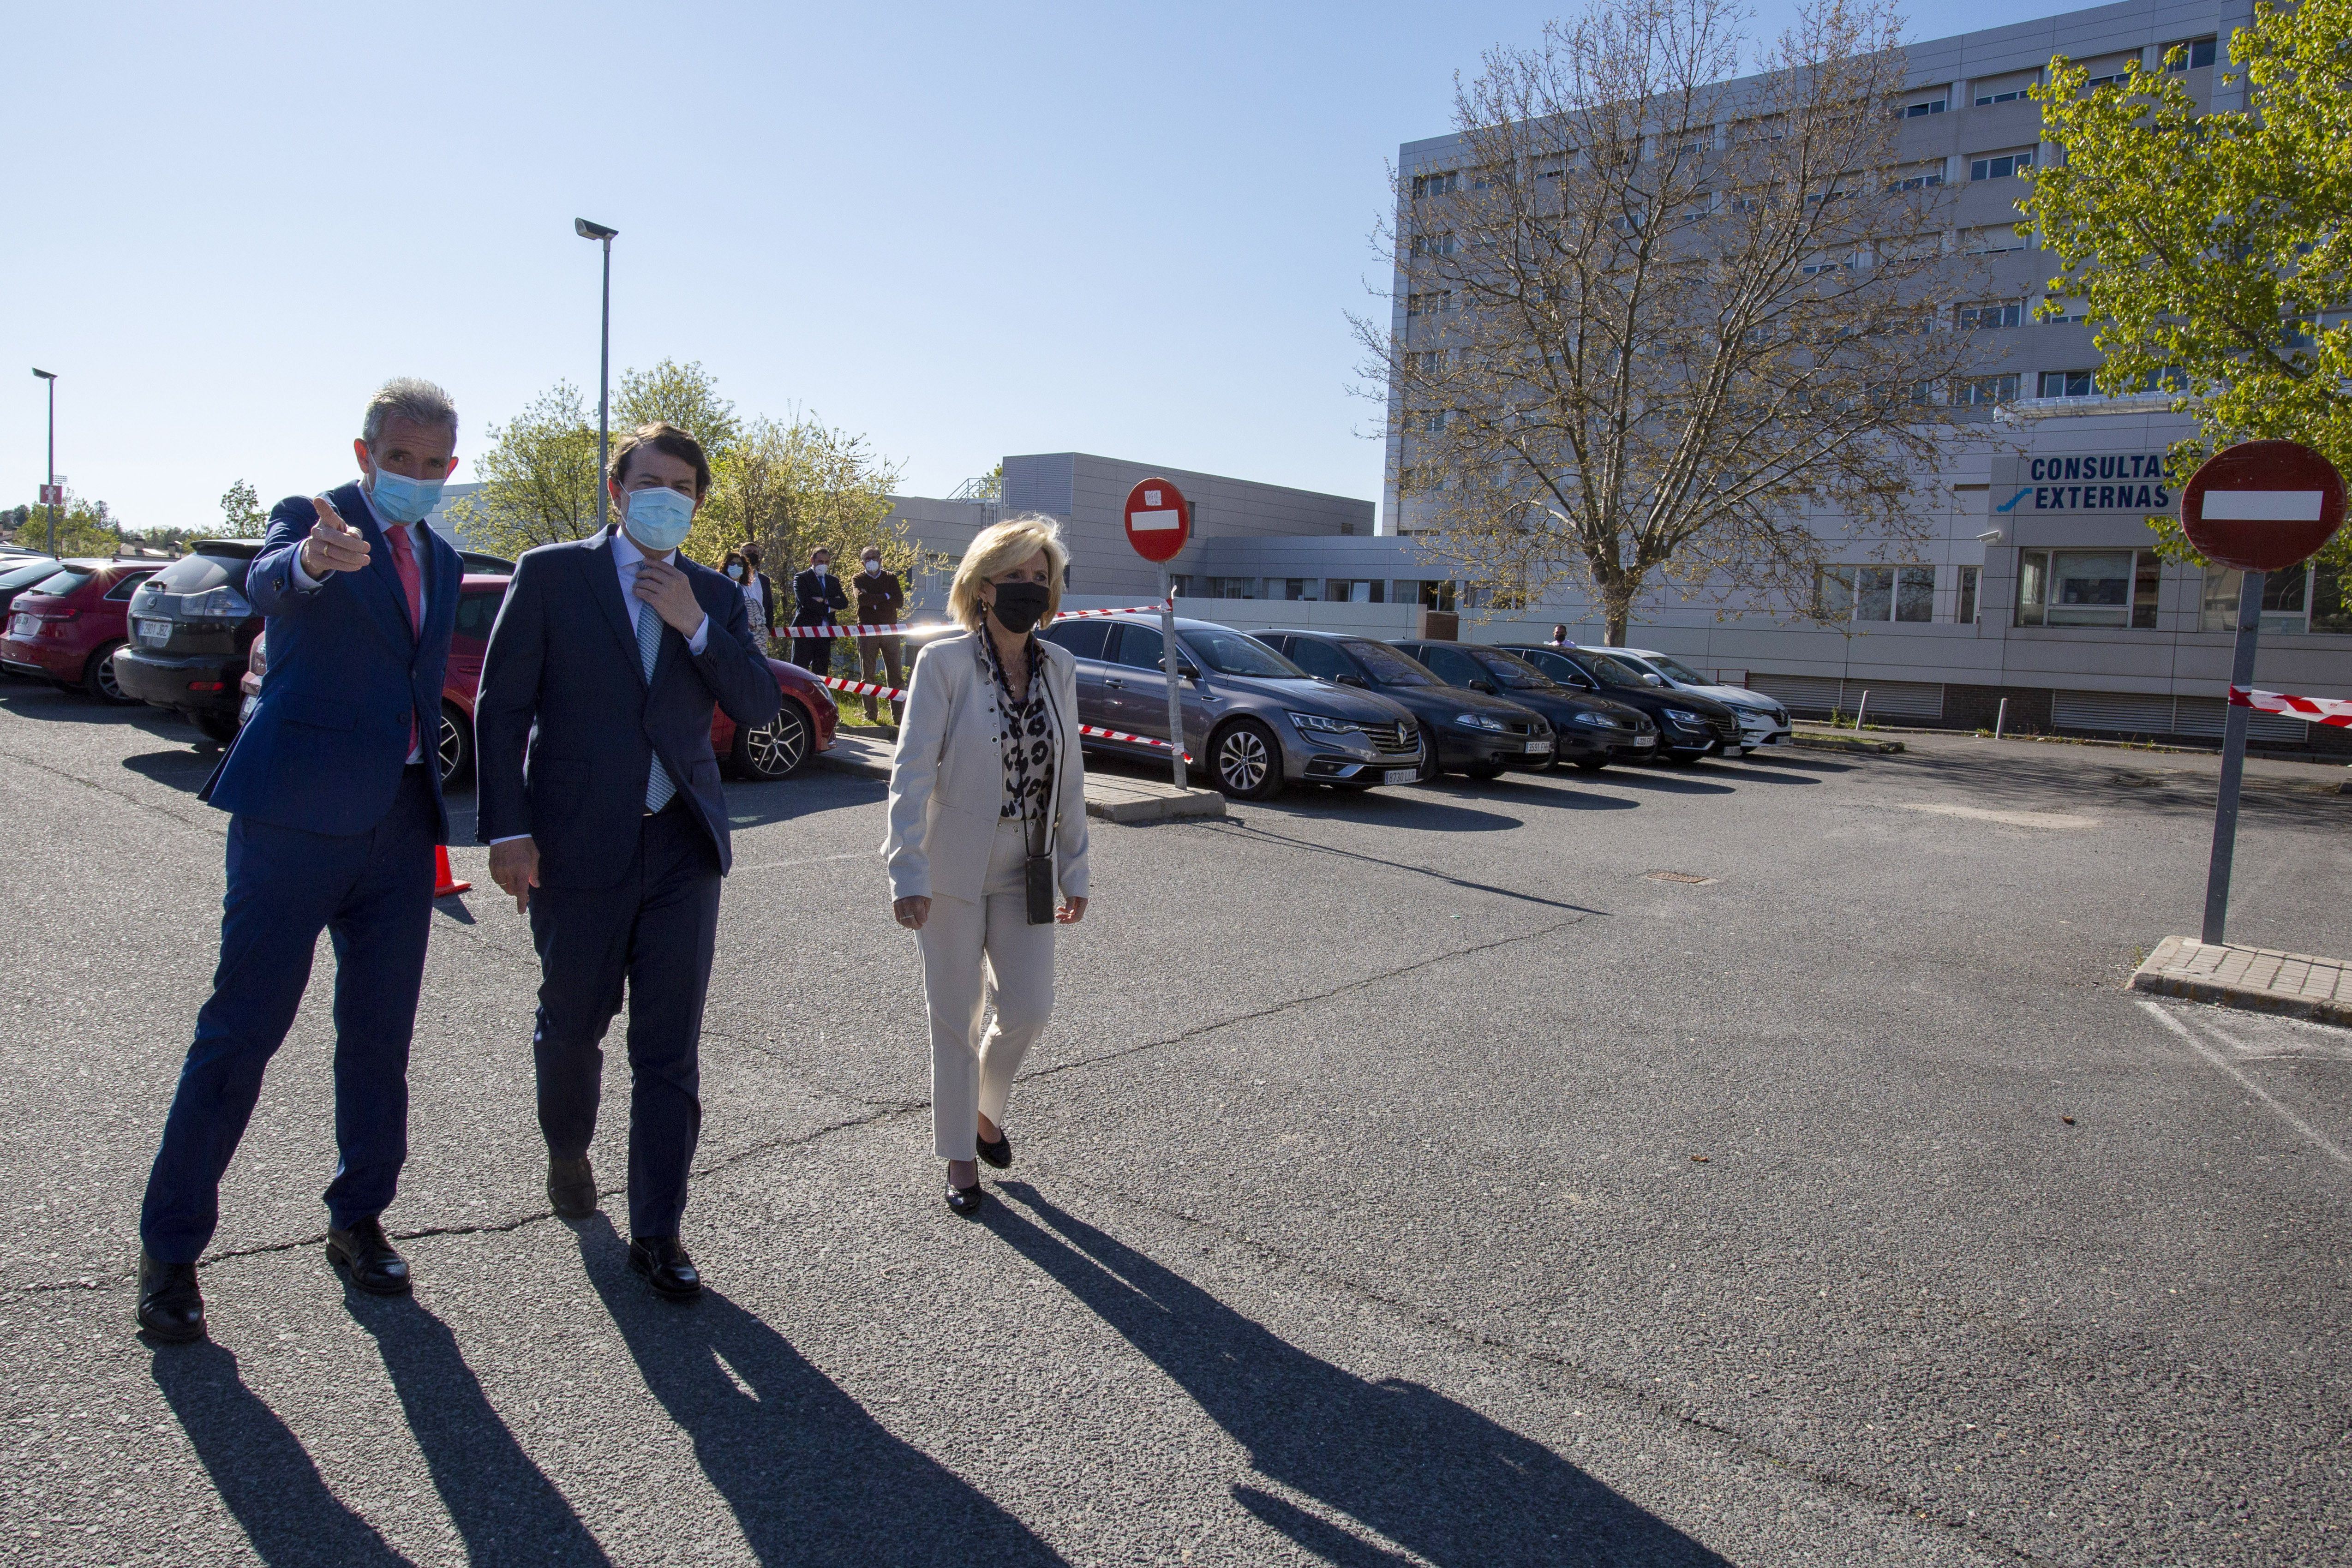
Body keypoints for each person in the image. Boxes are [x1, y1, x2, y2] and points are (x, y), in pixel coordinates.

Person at [135, 378, 467, 1341]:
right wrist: (317, 563)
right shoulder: (312, 520)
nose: (412, 476)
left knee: (379, 1040)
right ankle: (171, 1248)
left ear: (450, 467)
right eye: (395, 458)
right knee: (240, 1032)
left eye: (431, 463)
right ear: (364, 454)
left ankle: (358, 1218)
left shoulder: (441, 558)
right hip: (292, 823)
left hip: (400, 829)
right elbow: (270, 577)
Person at [475, 422, 780, 1300]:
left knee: (669, 1049)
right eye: (651, 481)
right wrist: (507, 830)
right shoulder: (552, 573)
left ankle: (658, 1229)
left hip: (681, 842)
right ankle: (568, 1146)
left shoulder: (715, 594)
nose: (666, 497)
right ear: (618, 491)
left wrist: (694, 627)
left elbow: (758, 702)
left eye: (683, 486)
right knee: (572, 1026)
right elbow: (500, 710)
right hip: (575, 843)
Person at [882, 514, 1089, 1217]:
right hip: (950, 865)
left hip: (1027, 860)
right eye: (1016, 576)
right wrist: (905, 869)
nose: (1030, 589)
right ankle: (960, 1156)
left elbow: (1073, 776)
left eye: (1042, 577)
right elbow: (909, 776)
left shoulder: (1059, 666)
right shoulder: (941, 665)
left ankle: (983, 1112)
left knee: (1030, 1009)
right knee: (955, 1017)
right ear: (982, 583)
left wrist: (1076, 868)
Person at [852, 544, 907, 725]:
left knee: (896, 675)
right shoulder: (858, 578)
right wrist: (885, 596)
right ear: (863, 562)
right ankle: (871, 715)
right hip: (867, 630)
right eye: (868, 558)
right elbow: (861, 598)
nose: (871, 561)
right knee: (868, 674)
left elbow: (899, 601)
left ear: (881, 560)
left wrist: (874, 598)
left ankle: (899, 718)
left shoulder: (891, 578)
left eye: (875, 557)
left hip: (890, 630)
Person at [792, 547, 846, 677]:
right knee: (799, 672)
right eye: (820, 561)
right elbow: (806, 603)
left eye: (827, 562)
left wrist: (825, 600)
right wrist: (829, 608)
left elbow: (844, 603)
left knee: (821, 674)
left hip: (825, 633)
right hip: (805, 632)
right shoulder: (802, 578)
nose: (824, 565)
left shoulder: (833, 581)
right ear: (812, 560)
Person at [725, 545, 776, 649]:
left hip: (758, 634)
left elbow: (769, 606)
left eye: (755, 552)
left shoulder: (764, 580)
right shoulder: (721, 583)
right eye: (748, 551)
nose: (752, 554)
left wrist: (767, 629)